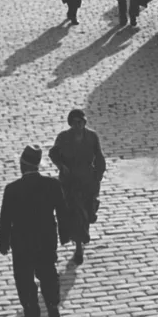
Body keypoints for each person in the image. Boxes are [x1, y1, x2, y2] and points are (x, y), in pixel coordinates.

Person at [0, 146, 71, 317]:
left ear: (22, 165)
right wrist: (64, 234)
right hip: (46, 238)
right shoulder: (52, 185)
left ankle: (32, 315)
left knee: (24, 279)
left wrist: (3, 242)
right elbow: (62, 211)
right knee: (48, 272)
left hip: (22, 242)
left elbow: (6, 218)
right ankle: (52, 304)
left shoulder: (12, 189)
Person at [49, 108, 106, 265]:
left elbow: (99, 157)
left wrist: (98, 175)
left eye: (81, 122)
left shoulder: (92, 137)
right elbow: (53, 153)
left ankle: (92, 211)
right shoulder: (63, 138)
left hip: (88, 181)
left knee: (86, 214)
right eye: (75, 123)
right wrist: (62, 166)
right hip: (70, 182)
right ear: (70, 124)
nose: (78, 126)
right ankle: (79, 248)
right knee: (76, 214)